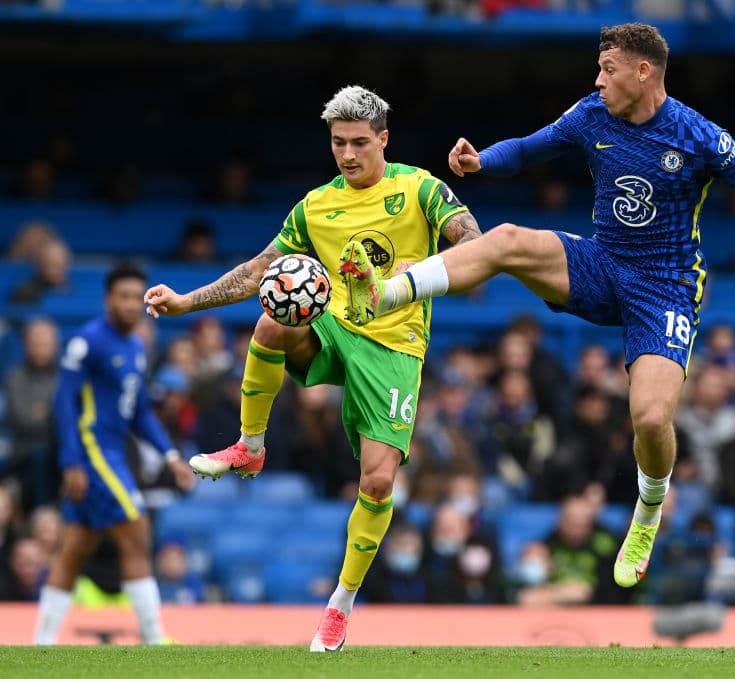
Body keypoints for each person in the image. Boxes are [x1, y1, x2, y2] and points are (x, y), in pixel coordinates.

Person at [339, 23, 735, 589]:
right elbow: (528, 148)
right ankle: (388, 292)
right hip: (601, 262)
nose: (598, 79)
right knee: (510, 238)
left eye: (608, 69)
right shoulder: (593, 114)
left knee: (652, 419)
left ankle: (649, 507)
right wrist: (481, 162)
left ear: (643, 72)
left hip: (665, 287)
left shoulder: (698, 134)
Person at [142, 85, 482, 652]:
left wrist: (410, 278)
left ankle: (339, 606)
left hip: (395, 346)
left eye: (358, 143)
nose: (347, 155)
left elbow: (472, 243)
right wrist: (185, 302)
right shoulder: (316, 205)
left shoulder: (421, 188)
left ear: (383, 140)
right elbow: (256, 272)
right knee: (274, 312)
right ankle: (250, 444)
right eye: (337, 143)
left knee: (377, 480)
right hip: (336, 326)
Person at [33, 262, 195, 645]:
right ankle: (155, 639)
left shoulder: (136, 346)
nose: (128, 305)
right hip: (93, 454)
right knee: (137, 532)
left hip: (113, 453)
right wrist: (71, 462)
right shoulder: (87, 342)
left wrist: (171, 456)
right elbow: (63, 404)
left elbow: (139, 412)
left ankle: (41, 645)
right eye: (121, 296)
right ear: (108, 299)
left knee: (74, 548)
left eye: (133, 297)